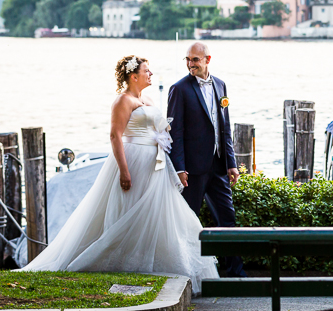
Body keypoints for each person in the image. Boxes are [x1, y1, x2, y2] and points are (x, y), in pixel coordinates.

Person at [17, 55, 218, 292]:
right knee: (130, 210)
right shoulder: (123, 101)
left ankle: (157, 261)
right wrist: (124, 170)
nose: (151, 74)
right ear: (134, 76)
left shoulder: (148, 98)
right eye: (147, 71)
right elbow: (115, 136)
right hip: (133, 160)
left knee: (157, 213)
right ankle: (114, 259)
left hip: (155, 164)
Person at [168, 42, 245, 277]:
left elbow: (225, 127)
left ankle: (235, 273)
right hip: (193, 168)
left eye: (195, 60)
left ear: (207, 60)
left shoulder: (221, 85)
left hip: (218, 165)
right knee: (189, 220)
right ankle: (187, 272)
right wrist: (179, 168)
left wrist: (231, 162)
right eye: (188, 60)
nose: (191, 64)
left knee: (227, 218)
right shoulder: (179, 89)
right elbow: (175, 132)